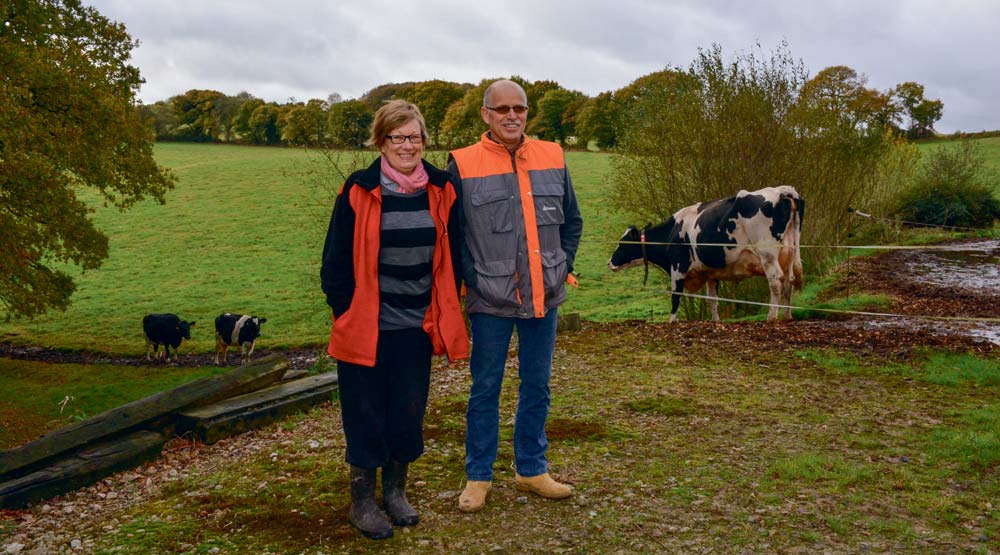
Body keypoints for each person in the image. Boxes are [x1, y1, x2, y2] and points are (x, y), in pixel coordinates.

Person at [320, 99, 468, 539]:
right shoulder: (358, 188)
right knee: (364, 413)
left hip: (417, 326)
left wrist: (446, 307)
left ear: (425, 140)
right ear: (381, 142)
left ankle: (396, 492)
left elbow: (455, 254)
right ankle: (363, 501)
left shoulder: (442, 188)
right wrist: (346, 311)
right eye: (398, 137)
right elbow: (334, 264)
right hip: (365, 327)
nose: (408, 145)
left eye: (415, 137)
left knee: (407, 411)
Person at [448, 79, 583, 513]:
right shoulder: (462, 164)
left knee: (537, 385)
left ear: (527, 113)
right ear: (486, 114)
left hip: (545, 295)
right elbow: (455, 237)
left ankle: (531, 468)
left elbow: (572, 222)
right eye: (502, 108)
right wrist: (475, 280)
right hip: (490, 299)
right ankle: (478, 476)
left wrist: (561, 268)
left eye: (519, 109)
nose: (511, 116)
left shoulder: (553, 155)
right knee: (485, 388)